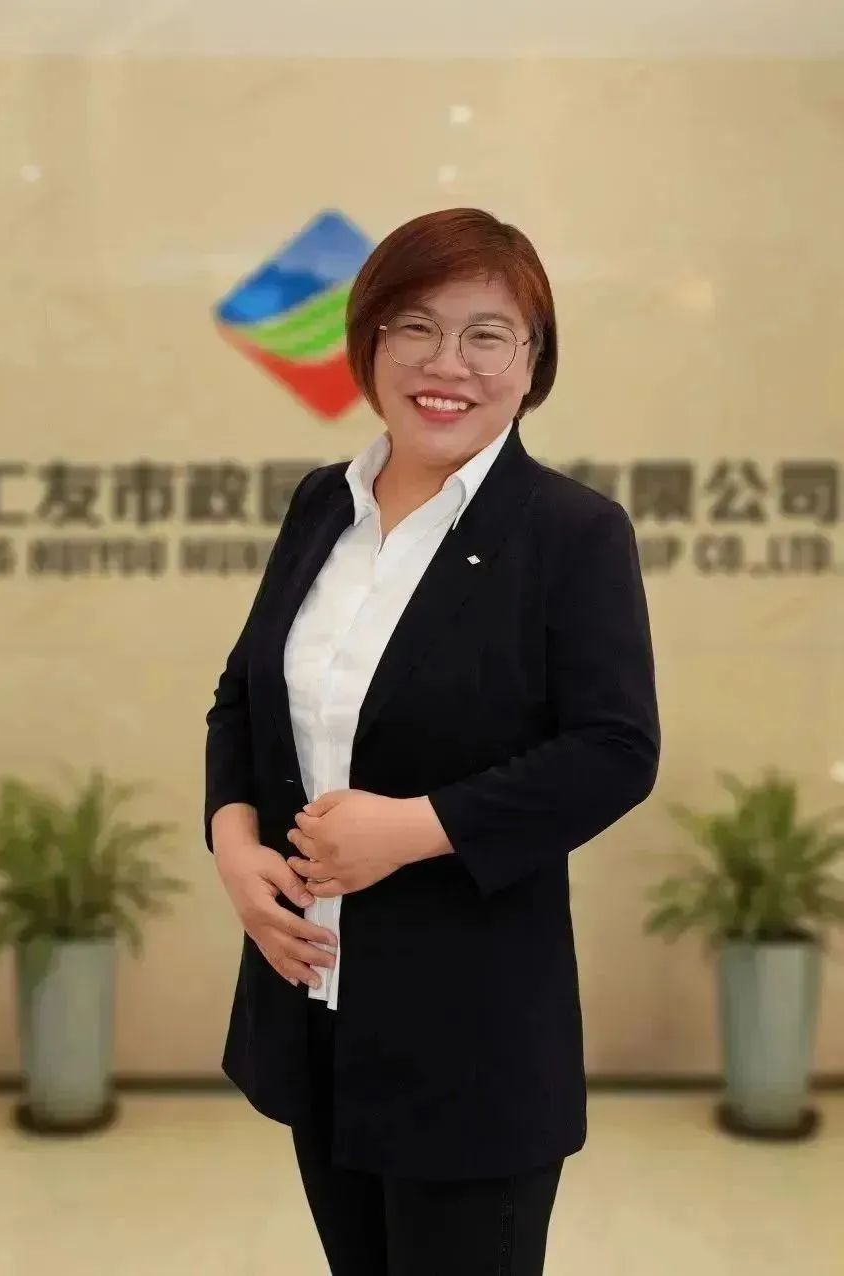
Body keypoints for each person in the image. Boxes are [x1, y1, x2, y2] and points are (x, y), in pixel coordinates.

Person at [204, 207, 660, 1275]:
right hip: (313, 1011)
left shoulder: (571, 532)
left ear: (532, 361)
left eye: (486, 334)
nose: (446, 364)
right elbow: (241, 693)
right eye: (413, 326)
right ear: (366, 342)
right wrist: (231, 842)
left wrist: (414, 828)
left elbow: (613, 748)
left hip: (471, 1036)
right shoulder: (322, 504)